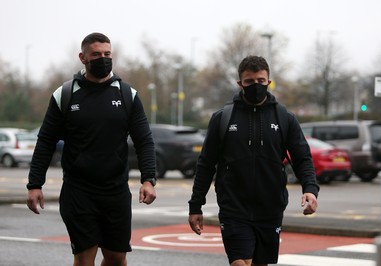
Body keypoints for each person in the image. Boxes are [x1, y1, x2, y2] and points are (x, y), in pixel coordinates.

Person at [26, 32, 157, 266]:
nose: (103, 59)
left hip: (115, 190)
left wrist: (148, 179)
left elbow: (144, 141)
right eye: (96, 54)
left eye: (107, 54)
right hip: (79, 191)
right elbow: (45, 141)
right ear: (82, 57)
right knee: (85, 257)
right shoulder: (64, 95)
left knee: (116, 258)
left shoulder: (128, 95)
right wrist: (35, 184)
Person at [188, 55, 319, 266]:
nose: (256, 86)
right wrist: (196, 206)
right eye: (249, 82)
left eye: (260, 81)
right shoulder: (223, 118)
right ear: (240, 84)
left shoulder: (284, 117)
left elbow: (302, 158)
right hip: (233, 207)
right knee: (240, 263)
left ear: (269, 81)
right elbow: (206, 164)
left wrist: (310, 189)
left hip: (271, 208)